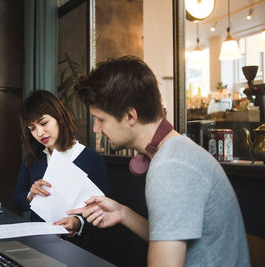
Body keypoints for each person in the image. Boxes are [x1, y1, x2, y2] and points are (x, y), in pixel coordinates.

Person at [68, 56, 250, 267]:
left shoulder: (171, 166)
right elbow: (174, 236)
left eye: (101, 119)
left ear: (130, 116)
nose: (95, 128)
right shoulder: (175, 151)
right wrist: (123, 213)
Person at [12, 90, 108, 241]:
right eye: (32, 128)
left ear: (59, 117)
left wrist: (78, 222)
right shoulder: (33, 159)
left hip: (77, 247)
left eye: (43, 123)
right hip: (38, 242)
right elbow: (16, 201)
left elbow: (103, 210)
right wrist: (30, 196)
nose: (39, 132)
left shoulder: (91, 159)